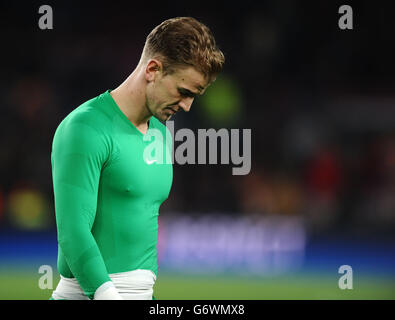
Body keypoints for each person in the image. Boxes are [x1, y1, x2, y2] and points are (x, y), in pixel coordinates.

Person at [50, 17, 225, 300]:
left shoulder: (161, 134)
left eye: (194, 96)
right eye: (183, 92)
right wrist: (108, 295)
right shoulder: (84, 128)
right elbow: (73, 233)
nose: (187, 106)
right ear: (153, 69)